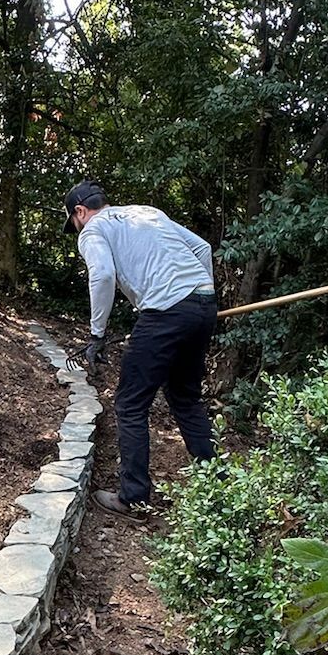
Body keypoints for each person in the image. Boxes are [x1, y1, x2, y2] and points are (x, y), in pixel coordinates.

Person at [63, 181, 218, 514]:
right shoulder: (146, 212)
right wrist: (201, 298)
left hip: (165, 310)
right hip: (203, 303)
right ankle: (216, 486)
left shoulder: (92, 230)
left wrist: (97, 334)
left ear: (80, 211)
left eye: (74, 221)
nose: (76, 227)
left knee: (130, 403)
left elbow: (102, 274)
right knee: (185, 397)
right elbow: (203, 248)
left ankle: (133, 497)